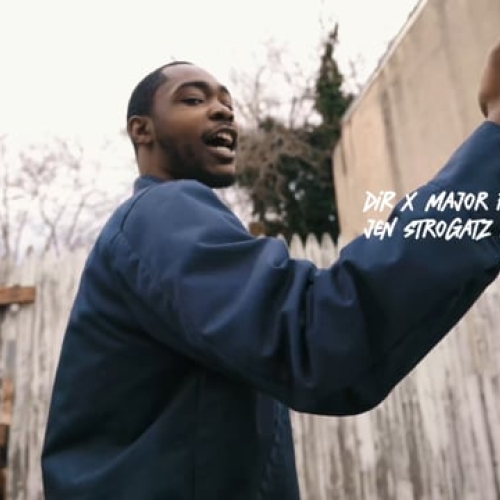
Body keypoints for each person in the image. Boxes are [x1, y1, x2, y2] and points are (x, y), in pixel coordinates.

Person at [41, 40, 500, 499]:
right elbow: (320, 335)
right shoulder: (160, 213)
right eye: (194, 99)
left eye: (227, 103)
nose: (223, 111)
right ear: (142, 130)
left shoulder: (163, 230)